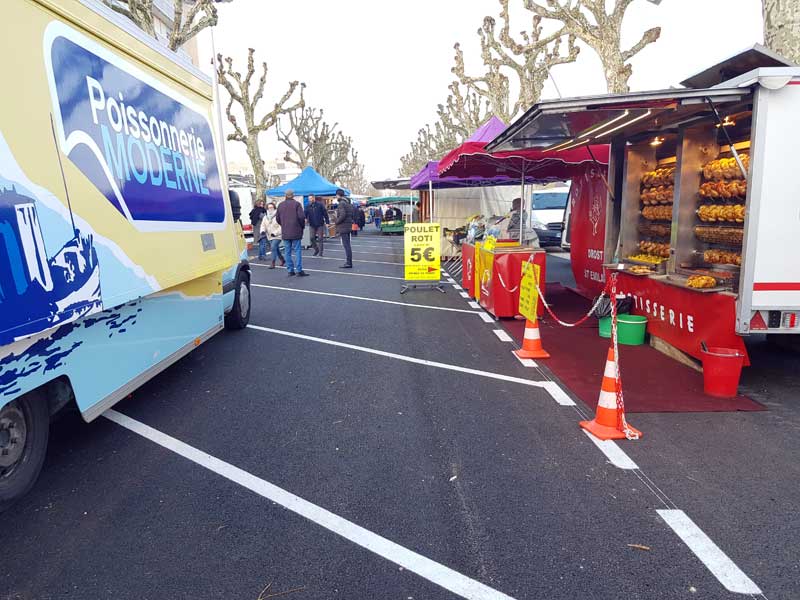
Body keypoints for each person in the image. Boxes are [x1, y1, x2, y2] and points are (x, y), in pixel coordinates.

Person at [276, 190, 307, 277]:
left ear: (285, 195)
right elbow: (301, 217)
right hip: (296, 230)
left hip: (285, 231)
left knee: (287, 251)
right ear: (293, 196)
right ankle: (299, 270)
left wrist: (283, 224)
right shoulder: (297, 204)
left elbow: (277, 218)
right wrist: (302, 226)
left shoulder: (281, 205)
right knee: (297, 251)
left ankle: (290, 270)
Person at [260, 202, 285, 268]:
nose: (270, 209)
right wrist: (262, 231)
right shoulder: (265, 217)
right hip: (269, 236)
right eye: (269, 207)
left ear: (274, 207)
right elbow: (263, 225)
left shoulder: (278, 215)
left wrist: (275, 233)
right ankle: (282, 259)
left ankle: (272, 263)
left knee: (273, 247)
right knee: (276, 249)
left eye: (271, 207)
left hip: (278, 235)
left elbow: (281, 226)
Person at [334, 189, 354, 268]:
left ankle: (349, 263)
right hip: (348, 225)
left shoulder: (341, 203)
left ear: (338, 195)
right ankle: (349, 262)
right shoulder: (347, 203)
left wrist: (337, 221)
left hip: (344, 226)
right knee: (347, 245)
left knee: (346, 245)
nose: (336, 197)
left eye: (336, 195)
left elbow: (342, 215)